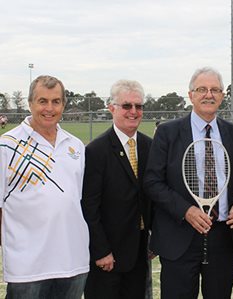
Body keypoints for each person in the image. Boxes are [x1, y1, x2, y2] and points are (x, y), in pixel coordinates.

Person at [144, 67, 233, 299]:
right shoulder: (167, 132)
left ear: (222, 96)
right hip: (179, 237)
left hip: (222, 238)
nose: (208, 95)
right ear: (190, 95)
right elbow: (152, 182)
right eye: (201, 89)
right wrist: (186, 210)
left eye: (215, 90)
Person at [0, 75, 89, 298]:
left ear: (63, 105)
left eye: (56, 101)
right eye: (42, 101)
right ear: (30, 103)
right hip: (27, 269)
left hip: (73, 264)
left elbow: (77, 201)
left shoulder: (75, 146)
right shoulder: (6, 145)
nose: (49, 108)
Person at [81, 79, 152, 299]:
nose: (133, 111)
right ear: (111, 108)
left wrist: (154, 239)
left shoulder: (150, 146)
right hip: (108, 257)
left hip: (140, 253)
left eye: (138, 106)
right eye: (127, 106)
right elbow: (89, 207)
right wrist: (101, 251)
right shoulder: (96, 151)